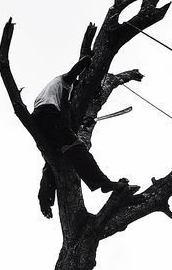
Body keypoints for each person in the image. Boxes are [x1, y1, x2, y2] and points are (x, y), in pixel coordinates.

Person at [32, 53, 138, 195]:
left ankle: (45, 197)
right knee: (78, 149)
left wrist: (83, 122)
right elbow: (73, 74)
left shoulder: (58, 95)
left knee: (55, 157)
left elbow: (65, 117)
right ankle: (104, 183)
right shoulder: (63, 82)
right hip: (48, 114)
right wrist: (86, 62)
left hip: (42, 120)